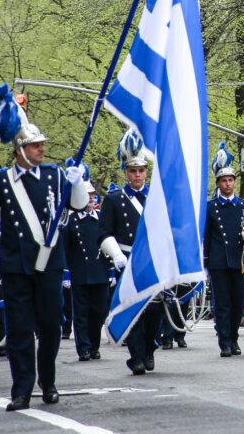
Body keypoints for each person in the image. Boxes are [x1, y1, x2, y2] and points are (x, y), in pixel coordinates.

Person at [0, 85, 89, 411]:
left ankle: (48, 379)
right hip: (16, 264)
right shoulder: (3, 180)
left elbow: (78, 206)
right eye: (35, 145)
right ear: (20, 149)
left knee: (50, 326)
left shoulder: (56, 175)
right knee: (19, 330)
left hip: (49, 263)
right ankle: (21, 388)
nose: (42, 149)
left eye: (42, 144)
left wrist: (76, 185)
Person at [99, 128, 159, 376]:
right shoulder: (114, 199)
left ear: (146, 172)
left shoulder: (156, 197)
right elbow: (103, 233)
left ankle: (149, 349)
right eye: (133, 171)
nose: (137, 175)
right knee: (132, 308)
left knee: (154, 309)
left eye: (141, 170)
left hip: (151, 261)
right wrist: (116, 254)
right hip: (126, 259)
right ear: (125, 172)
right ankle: (136, 356)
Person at [204, 142, 244, 357]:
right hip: (219, 261)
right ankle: (224, 341)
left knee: (237, 303)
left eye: (231, 180)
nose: (227, 184)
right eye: (224, 180)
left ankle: (234, 338)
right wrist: (205, 262)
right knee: (222, 303)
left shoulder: (243, 205)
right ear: (218, 183)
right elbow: (206, 236)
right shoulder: (211, 206)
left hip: (239, 261)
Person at [61, 160, 109, 362]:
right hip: (79, 273)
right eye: (86, 195)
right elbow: (63, 249)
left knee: (98, 312)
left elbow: (107, 244)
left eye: (92, 195)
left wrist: (112, 271)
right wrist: (65, 273)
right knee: (81, 313)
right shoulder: (70, 221)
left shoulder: (101, 218)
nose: (90, 198)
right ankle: (84, 348)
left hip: (100, 272)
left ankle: (95, 345)